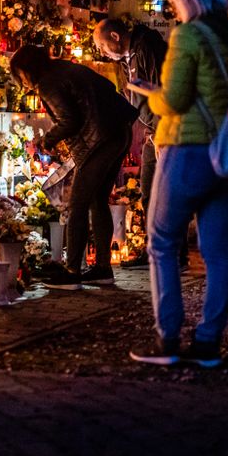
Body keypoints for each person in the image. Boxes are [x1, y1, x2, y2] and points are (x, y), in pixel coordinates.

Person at [128, 0, 228, 368]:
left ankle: (167, 339)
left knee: (162, 240)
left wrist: (151, 94)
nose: (172, 8)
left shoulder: (188, 35)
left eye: (172, 0)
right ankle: (208, 343)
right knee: (218, 252)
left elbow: (176, 100)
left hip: (188, 148)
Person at [10, 46, 137, 290]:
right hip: (118, 132)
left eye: (20, 75)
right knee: (98, 200)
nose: (22, 81)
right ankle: (102, 269)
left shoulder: (48, 82)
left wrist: (47, 140)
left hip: (97, 140)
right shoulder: (66, 68)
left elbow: (70, 119)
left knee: (78, 204)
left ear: (26, 70)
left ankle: (72, 272)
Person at [92, 18, 190, 271]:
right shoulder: (129, 57)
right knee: (152, 195)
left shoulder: (147, 47)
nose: (102, 53)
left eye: (102, 46)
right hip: (152, 131)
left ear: (115, 36)